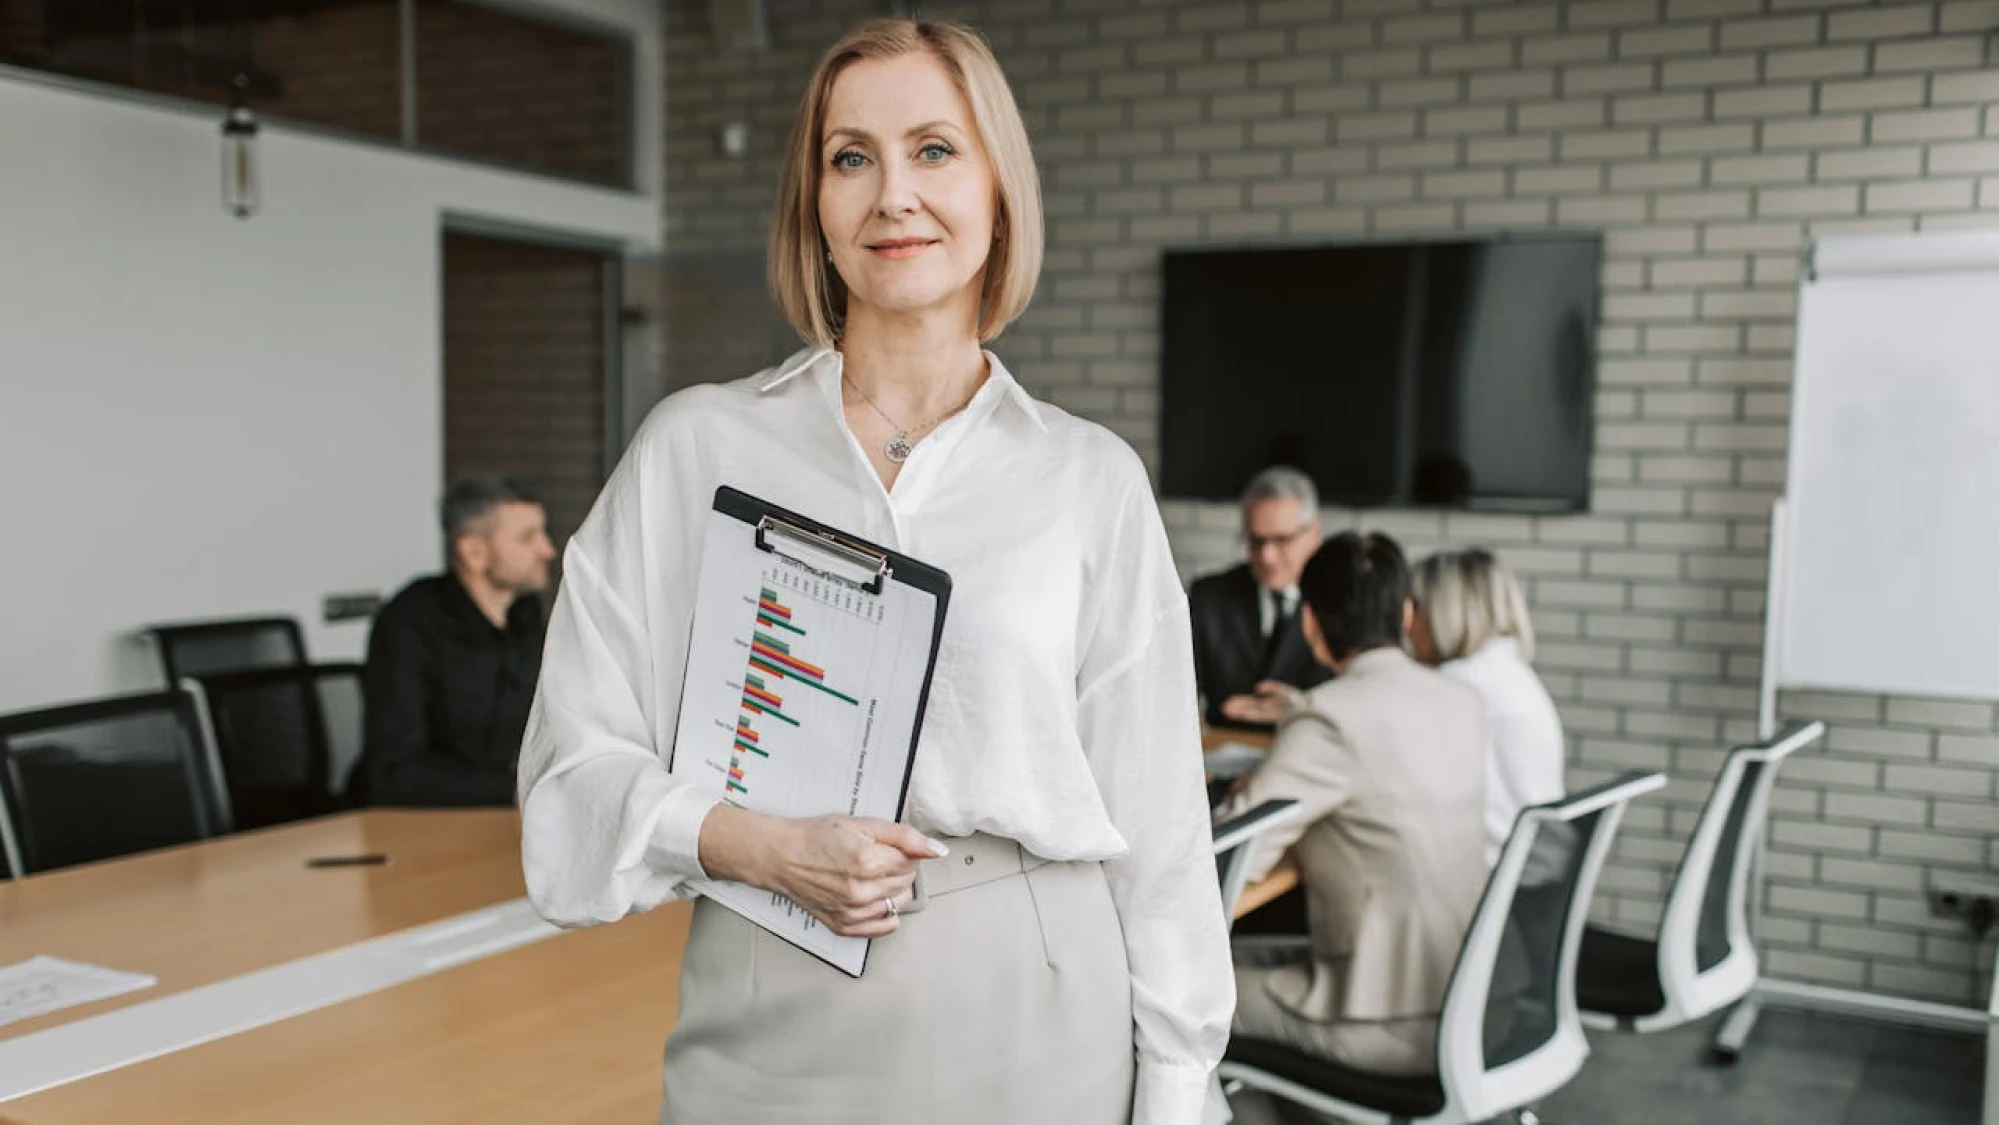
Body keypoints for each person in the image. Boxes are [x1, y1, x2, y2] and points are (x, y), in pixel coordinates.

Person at [516, 19, 1229, 1125]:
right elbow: (570, 768)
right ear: (816, 207)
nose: (892, 193)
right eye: (851, 157)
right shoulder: (695, 448)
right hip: (771, 974)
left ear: (999, 194)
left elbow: (1162, 819)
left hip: (1039, 992)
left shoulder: (1087, 479)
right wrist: (758, 845)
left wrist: (1180, 1085)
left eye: (935, 150)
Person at [1220, 532, 1488, 1100]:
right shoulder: (1461, 702)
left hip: (1384, 1022)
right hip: (1468, 995)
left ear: (1310, 623)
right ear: (1408, 613)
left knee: (1172, 994)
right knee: (1241, 956)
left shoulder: (1329, 720)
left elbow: (1230, 861)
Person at [350, 474, 553, 807]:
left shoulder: (526, 614)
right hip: (414, 825)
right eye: (527, 538)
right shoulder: (409, 621)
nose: (547, 550)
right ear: (474, 552)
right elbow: (394, 773)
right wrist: (516, 790)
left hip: (499, 818)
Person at [1409, 547, 1566, 865]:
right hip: (1527, 873)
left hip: (1487, 878)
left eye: (1413, 608)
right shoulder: (1508, 671)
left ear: (1440, 613)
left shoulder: (1456, 687)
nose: (1406, 626)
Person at [1188, 466, 1332, 729]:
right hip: (1220, 755)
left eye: (1282, 540)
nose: (1267, 556)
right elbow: (1180, 691)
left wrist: (1298, 708)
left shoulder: (1341, 600)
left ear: (1315, 533)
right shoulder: (1209, 597)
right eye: (1256, 540)